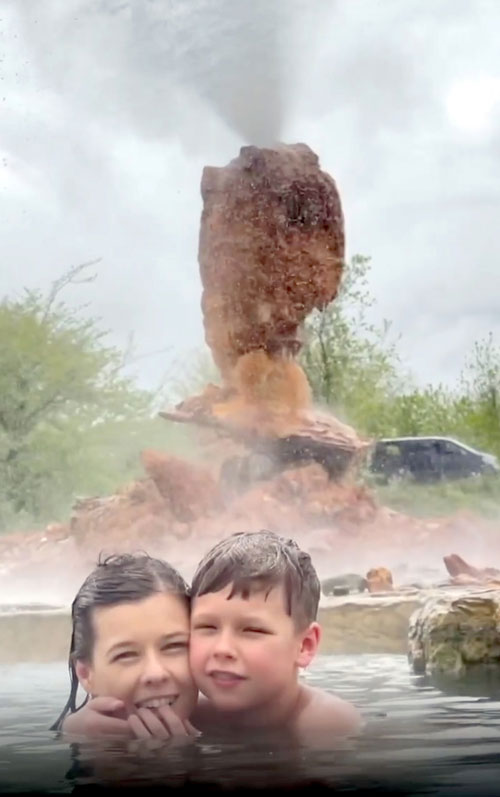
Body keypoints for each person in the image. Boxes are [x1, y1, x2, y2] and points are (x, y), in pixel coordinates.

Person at [61, 531, 361, 744]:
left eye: (252, 630)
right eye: (206, 627)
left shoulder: (328, 727)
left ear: (305, 645)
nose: (222, 649)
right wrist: (74, 732)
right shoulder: (184, 712)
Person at [54, 553, 199, 739]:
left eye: (174, 646)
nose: (156, 674)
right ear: (85, 674)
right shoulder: (69, 745)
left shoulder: (228, 719)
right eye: (126, 655)